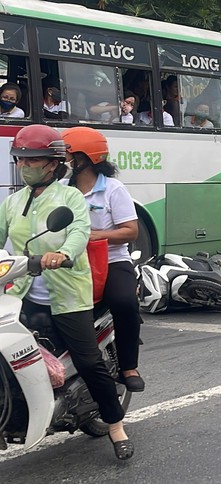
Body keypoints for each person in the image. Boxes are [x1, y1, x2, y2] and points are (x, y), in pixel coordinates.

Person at [1, 125, 133, 460]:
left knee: (89, 361)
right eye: (21, 160)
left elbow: (78, 230)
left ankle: (116, 425)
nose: (26, 166)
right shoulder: (12, 202)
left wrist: (63, 254)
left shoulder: (70, 197)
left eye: (36, 160)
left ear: (54, 163)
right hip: (24, 292)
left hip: (68, 294)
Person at [62, 126, 145, 395]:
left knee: (124, 301)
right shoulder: (62, 190)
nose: (63, 161)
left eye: (68, 155)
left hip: (111, 261)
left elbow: (130, 231)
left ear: (85, 158)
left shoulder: (112, 189)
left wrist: (97, 235)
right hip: (71, 262)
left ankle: (129, 366)